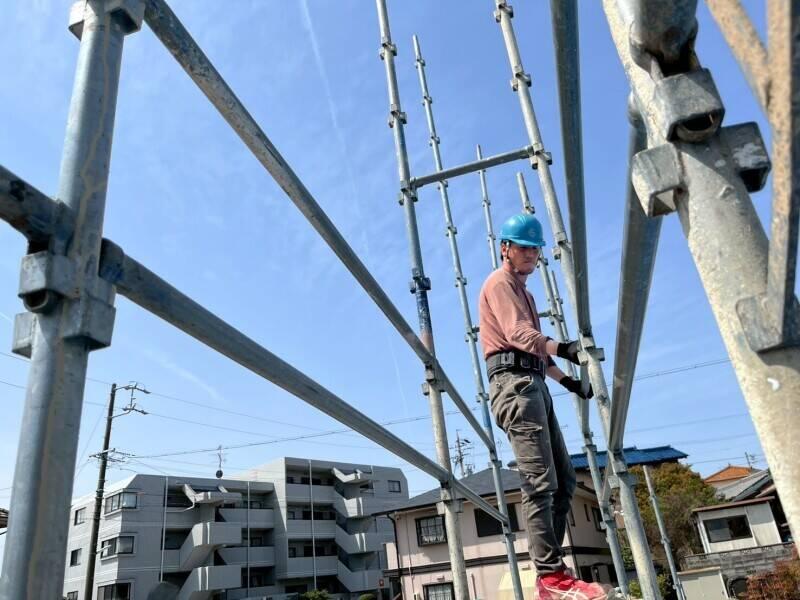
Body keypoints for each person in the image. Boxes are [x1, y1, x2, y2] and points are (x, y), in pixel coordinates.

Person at [478, 213, 607, 600]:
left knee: (565, 481)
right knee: (539, 483)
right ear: (506, 248)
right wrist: (564, 347)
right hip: (514, 386)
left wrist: (568, 382)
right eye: (524, 247)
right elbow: (519, 336)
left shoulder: (527, 294)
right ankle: (551, 576)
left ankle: (549, 575)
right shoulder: (499, 282)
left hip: (533, 383)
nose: (532, 254)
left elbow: (534, 351)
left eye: (536, 248)